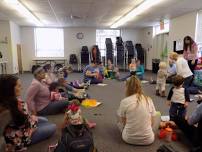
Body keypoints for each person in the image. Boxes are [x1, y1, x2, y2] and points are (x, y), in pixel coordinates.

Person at [0, 75, 56, 151]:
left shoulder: (11, 99)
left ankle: (35, 125)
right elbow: (22, 123)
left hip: (25, 124)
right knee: (53, 127)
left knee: (45, 120)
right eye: (19, 86)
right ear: (9, 89)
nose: (22, 88)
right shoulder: (6, 111)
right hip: (21, 136)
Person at [117, 76, 160, 145]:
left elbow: (124, 122)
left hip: (128, 139)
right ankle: (145, 131)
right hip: (148, 139)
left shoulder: (124, 101)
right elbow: (152, 122)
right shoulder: (148, 99)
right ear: (140, 86)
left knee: (118, 114)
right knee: (157, 115)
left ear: (127, 88)